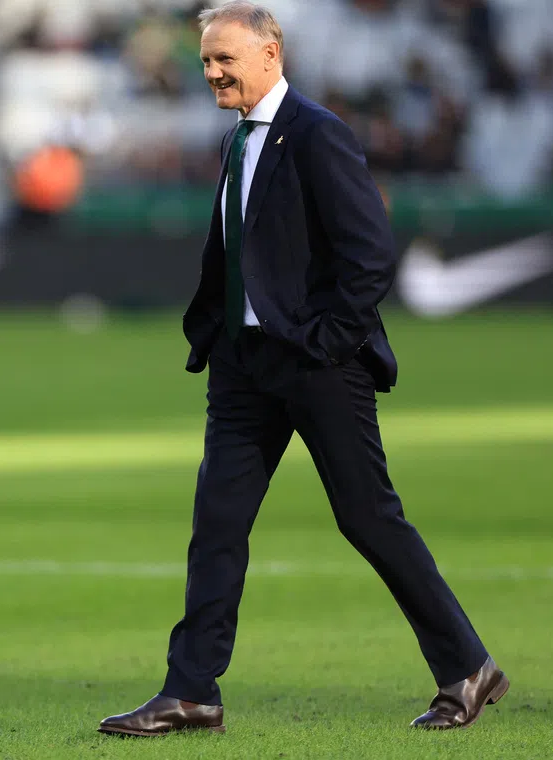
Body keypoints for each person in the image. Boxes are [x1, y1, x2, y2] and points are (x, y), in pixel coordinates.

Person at [98, 2, 507, 737]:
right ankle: (191, 691)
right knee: (216, 525)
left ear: (270, 51)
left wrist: (323, 341)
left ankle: (468, 668)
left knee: (368, 519)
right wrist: (225, 336)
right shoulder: (239, 139)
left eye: (225, 58)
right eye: (205, 62)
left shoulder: (318, 135)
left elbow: (370, 254)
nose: (213, 73)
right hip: (244, 368)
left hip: (318, 365)